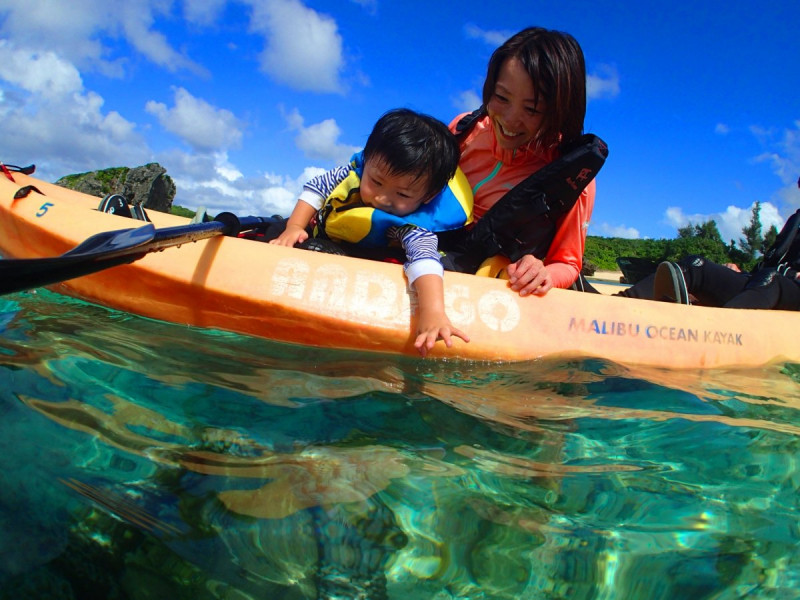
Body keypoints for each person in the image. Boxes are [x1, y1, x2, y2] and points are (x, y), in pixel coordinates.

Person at [271, 108, 473, 357]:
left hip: (368, 257)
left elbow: (425, 260)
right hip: (328, 238)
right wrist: (294, 227)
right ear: (367, 161)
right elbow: (316, 189)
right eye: (376, 182)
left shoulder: (412, 226)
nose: (381, 198)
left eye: (402, 194)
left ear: (427, 196)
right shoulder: (350, 174)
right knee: (276, 228)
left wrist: (433, 313)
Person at [441, 26, 598, 297]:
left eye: (532, 109)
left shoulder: (572, 178)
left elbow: (568, 262)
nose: (511, 120)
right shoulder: (463, 130)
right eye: (501, 97)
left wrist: (543, 272)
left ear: (560, 111)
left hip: (494, 287)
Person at [618, 208, 800, 310]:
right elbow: (773, 263)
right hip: (765, 285)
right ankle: (615, 306)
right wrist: (743, 273)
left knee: (771, 279)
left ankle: (718, 331)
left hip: (784, 288)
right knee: (695, 265)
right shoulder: (796, 220)